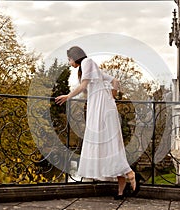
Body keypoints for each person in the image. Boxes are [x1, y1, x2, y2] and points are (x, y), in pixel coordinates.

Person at [55, 46, 142, 200]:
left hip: (101, 108)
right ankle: (122, 189)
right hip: (102, 106)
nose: (69, 63)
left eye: (69, 59)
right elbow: (115, 80)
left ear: (75, 57)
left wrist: (68, 96)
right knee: (110, 144)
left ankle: (130, 174)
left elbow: (83, 86)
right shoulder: (91, 67)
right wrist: (112, 96)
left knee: (108, 143)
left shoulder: (87, 62)